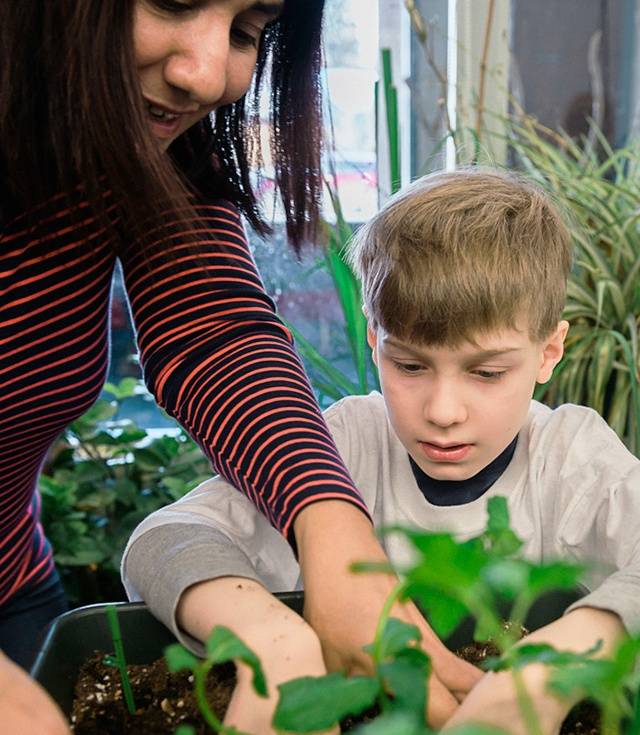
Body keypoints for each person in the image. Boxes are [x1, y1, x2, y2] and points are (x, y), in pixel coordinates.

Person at [0, 2, 478, 732]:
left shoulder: (133, 136)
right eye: (172, 1)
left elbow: (213, 333)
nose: (206, 71)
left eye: (246, 31)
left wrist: (336, 537)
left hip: (15, 586)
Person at [123, 168, 640, 734]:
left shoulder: (569, 457)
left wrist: (560, 660)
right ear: (373, 339)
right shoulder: (341, 443)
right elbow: (163, 539)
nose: (443, 411)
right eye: (410, 365)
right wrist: (271, 639)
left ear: (549, 351)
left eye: (487, 372)